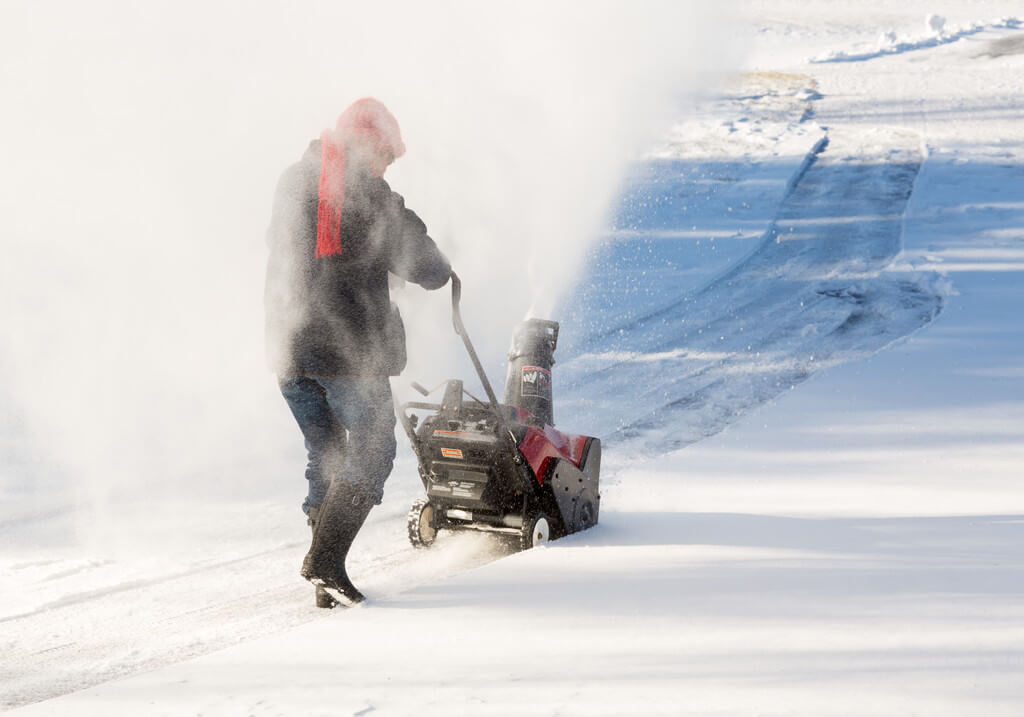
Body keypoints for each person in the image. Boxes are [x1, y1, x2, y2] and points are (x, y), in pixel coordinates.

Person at [264, 98, 451, 607]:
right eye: (388, 156)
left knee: (326, 454)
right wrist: (442, 262)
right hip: (343, 354)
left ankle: (324, 581)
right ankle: (326, 563)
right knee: (373, 449)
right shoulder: (367, 194)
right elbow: (426, 266)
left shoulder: (292, 180)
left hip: (287, 351)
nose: (389, 166)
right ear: (371, 146)